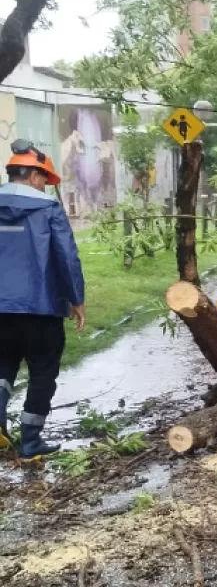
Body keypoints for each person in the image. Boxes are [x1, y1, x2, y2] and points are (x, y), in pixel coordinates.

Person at [0, 139, 86, 461]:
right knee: (42, 371)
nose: (45, 187)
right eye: (45, 180)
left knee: (3, 363)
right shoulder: (48, 208)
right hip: (40, 307)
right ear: (35, 175)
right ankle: (31, 440)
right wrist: (76, 298)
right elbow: (66, 257)